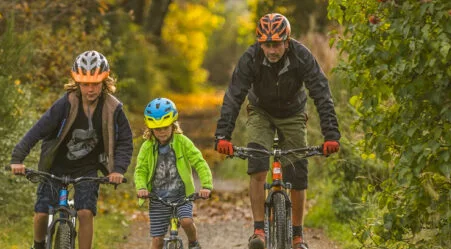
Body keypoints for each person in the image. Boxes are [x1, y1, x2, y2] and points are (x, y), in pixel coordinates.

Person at [213, 13, 341, 249]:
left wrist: (331, 134)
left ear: (287, 41)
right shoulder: (250, 58)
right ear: (260, 43)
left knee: (298, 170)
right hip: (260, 111)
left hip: (293, 112)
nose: (272, 50)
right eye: (267, 45)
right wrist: (223, 136)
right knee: (257, 162)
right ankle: (259, 230)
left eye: (277, 44)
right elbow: (234, 95)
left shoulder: (301, 56)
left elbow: (321, 92)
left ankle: (297, 235)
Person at [10, 50, 132, 249]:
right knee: (42, 212)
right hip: (55, 165)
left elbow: (125, 141)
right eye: (85, 84)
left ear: (105, 81)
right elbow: (38, 130)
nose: (90, 89)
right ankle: (38, 245)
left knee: (85, 212)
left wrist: (118, 170)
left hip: (87, 169)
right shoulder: (66, 104)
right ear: (77, 82)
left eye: (95, 84)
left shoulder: (113, 108)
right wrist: (17, 159)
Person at [133, 98, 214, 249]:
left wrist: (206, 186)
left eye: (165, 128)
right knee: (157, 240)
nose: (161, 132)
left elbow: (199, 162)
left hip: (182, 196)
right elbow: (141, 170)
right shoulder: (147, 147)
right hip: (158, 198)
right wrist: (141, 187)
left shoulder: (182, 142)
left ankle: (193, 242)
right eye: (157, 129)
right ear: (150, 129)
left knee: (186, 221)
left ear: (173, 125)